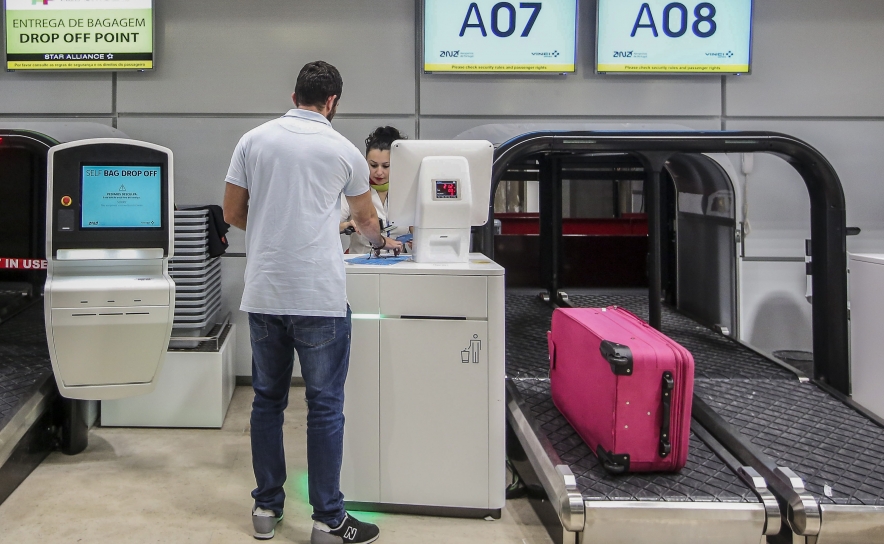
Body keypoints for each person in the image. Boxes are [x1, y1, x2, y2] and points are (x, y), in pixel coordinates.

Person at [223, 60, 402, 543]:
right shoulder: (345, 151)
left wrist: (271, 232)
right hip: (319, 297)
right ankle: (327, 520)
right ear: (332, 102)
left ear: (295, 93)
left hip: (264, 293)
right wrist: (381, 240)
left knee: (267, 402)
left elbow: (232, 212)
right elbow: (366, 222)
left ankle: (266, 510)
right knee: (324, 407)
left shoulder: (253, 140)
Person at [339, 126, 409, 254]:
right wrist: (346, 225)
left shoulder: (408, 192)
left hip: (399, 267)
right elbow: (328, 227)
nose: (379, 172)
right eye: (373, 165)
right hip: (362, 266)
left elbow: (422, 231)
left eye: (386, 166)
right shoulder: (354, 189)